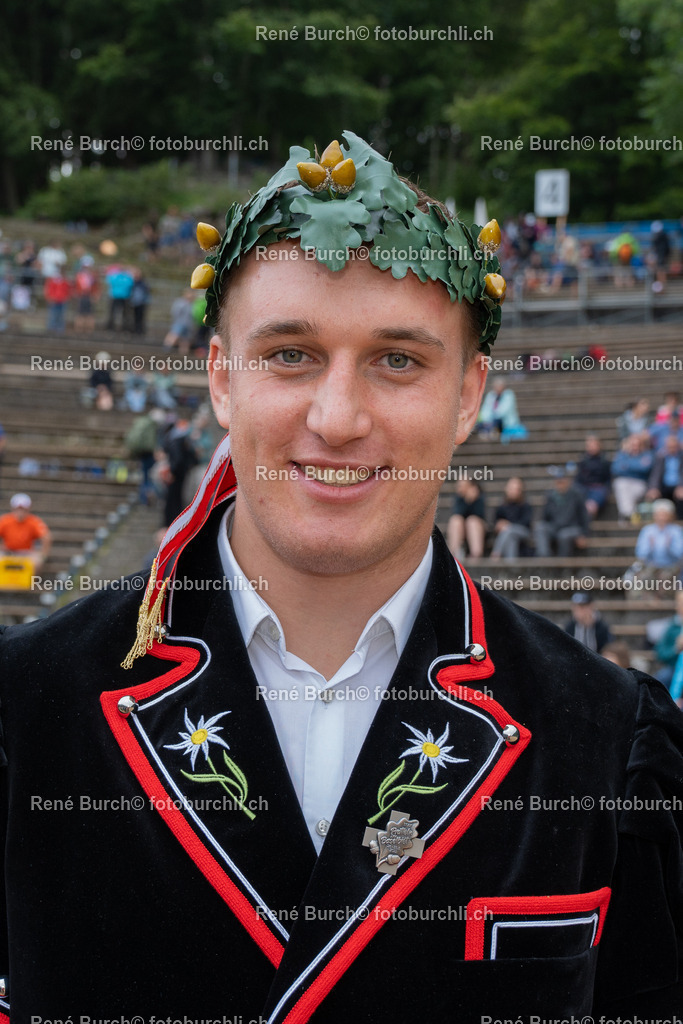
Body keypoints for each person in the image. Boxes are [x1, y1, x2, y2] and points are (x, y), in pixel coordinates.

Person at [0, 133, 681, 1020]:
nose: (339, 416)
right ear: (219, 378)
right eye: (290, 354)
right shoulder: (24, 706)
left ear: (469, 395)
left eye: (398, 360)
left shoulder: (608, 735)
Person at [534, 467, 589, 556]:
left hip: (572, 528)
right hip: (555, 527)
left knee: (564, 535)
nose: (560, 484)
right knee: (540, 528)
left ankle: (563, 562)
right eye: (558, 482)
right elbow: (544, 517)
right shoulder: (550, 497)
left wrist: (584, 534)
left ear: (568, 481)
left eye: (562, 481)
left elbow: (584, 516)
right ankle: (544, 558)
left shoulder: (576, 495)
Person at [632, 498, 683, 592]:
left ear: (670, 515)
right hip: (651, 567)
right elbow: (640, 554)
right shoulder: (647, 530)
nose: (661, 517)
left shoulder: (676, 530)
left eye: (664, 514)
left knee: (666, 579)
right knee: (640, 580)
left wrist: (669, 547)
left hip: (672, 568)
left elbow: (680, 554)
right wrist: (650, 548)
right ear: (654, 515)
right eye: (659, 514)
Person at [610, 434, 654, 523]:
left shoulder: (647, 454)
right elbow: (614, 469)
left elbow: (644, 468)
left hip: (640, 483)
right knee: (620, 484)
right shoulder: (622, 454)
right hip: (624, 482)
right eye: (633, 445)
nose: (635, 447)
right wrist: (635, 465)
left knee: (625, 492)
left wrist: (626, 466)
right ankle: (631, 514)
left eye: (637, 445)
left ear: (642, 445)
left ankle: (625, 515)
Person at [0, 492, 51, 568]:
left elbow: (46, 537)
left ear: (28, 509)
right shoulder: (5, 520)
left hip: (26, 553)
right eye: (18, 508)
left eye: (23, 509)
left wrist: (43, 555)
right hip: (8, 552)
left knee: (37, 562)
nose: (20, 512)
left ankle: (32, 579)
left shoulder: (34, 521)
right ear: (13, 508)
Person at [490, 476, 533, 558]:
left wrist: (509, 525)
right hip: (508, 534)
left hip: (523, 532)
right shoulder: (502, 506)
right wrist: (499, 525)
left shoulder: (525, 505)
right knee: (511, 539)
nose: (513, 491)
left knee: (509, 530)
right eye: (511, 488)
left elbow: (525, 522)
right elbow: (496, 521)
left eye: (516, 489)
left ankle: (496, 552)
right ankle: (511, 564)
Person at [446, 479, 486, 558]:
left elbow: (479, 514)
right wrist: (467, 501)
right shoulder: (458, 498)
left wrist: (473, 500)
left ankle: (476, 555)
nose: (458, 488)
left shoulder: (479, 497)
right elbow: (457, 513)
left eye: (461, 485)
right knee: (456, 520)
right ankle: (454, 554)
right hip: (461, 528)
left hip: (476, 527)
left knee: (472, 521)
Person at [646, 433, 683, 518]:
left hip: (679, 486)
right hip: (664, 486)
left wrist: (681, 486)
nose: (672, 449)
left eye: (674, 447)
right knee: (654, 496)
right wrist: (653, 487)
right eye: (669, 447)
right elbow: (655, 474)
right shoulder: (660, 457)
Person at [575, 434, 611, 519]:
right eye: (590, 445)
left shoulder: (604, 460)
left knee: (591, 505)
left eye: (594, 444)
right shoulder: (583, 460)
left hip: (598, 488)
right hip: (584, 488)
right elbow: (578, 478)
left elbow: (608, 478)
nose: (592, 447)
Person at [654, 589, 683, 687]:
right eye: (679, 603)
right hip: (674, 669)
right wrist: (676, 648)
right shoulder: (672, 627)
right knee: (660, 679)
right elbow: (660, 653)